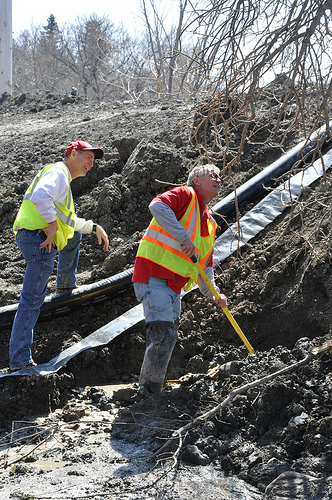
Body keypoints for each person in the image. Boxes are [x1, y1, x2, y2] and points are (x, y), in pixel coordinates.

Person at [9, 140, 109, 372]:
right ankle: (19, 359)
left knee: (73, 237)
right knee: (31, 300)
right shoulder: (59, 173)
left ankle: (65, 286)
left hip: (35, 236)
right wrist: (52, 224)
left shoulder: (62, 179)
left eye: (93, 160)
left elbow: (69, 222)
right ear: (73, 154)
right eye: (87, 157)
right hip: (39, 240)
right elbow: (40, 195)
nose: (91, 164)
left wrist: (94, 227)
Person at [132, 164, 228, 393]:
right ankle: (148, 393)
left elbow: (205, 266)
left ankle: (151, 389)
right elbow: (157, 205)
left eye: (220, 177)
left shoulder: (210, 222)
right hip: (154, 274)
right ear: (196, 180)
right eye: (213, 175)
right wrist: (183, 237)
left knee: (167, 336)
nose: (219, 179)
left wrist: (215, 294)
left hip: (173, 287)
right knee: (164, 334)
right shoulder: (186, 194)